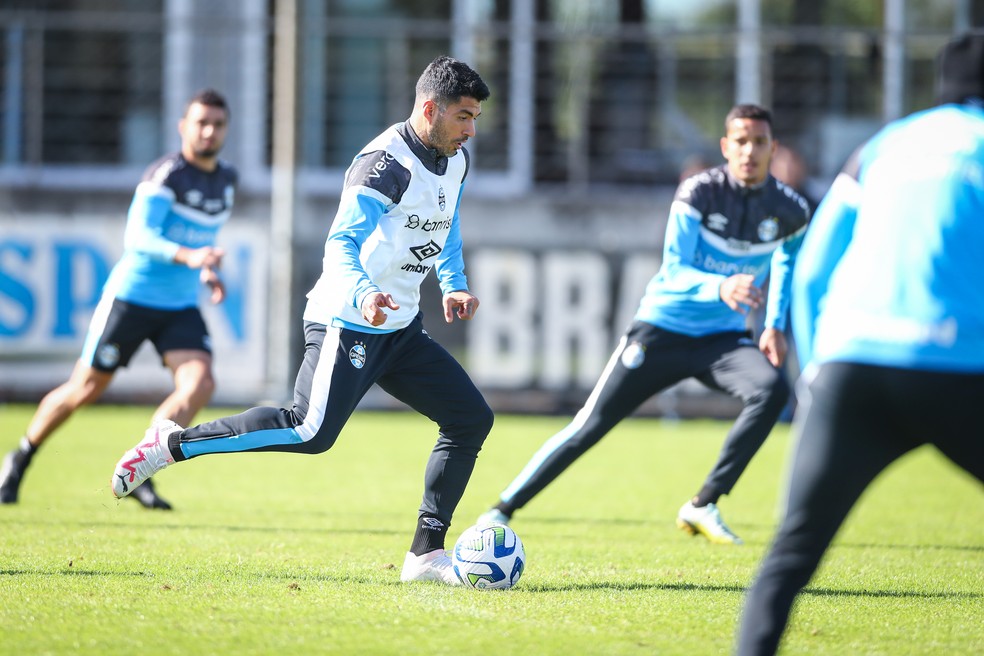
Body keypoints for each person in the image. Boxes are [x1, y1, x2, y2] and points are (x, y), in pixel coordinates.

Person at [110, 56, 494, 586]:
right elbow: (341, 245)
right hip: (347, 319)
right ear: (430, 109)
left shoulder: (455, 160)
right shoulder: (383, 165)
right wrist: (363, 295)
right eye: (464, 117)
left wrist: (453, 283)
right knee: (309, 429)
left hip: (400, 329)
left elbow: (445, 224)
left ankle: (426, 555)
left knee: (470, 418)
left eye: (475, 118)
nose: (471, 131)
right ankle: (170, 446)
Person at [735, 32, 984, 655]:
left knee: (790, 554)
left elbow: (815, 267)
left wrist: (813, 374)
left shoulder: (885, 145)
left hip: (853, 369)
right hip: (962, 373)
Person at [477, 104, 811, 545]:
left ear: (773, 148)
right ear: (726, 147)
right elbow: (674, 269)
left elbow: (787, 263)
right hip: (661, 332)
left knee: (771, 391)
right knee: (589, 427)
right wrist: (720, 286)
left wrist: (773, 326)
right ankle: (500, 511)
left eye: (760, 142)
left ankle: (703, 503)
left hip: (722, 341)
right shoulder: (699, 192)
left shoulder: (790, 209)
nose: (750, 151)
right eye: (741, 141)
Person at [0, 89, 236, 510]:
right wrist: (191, 256)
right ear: (183, 127)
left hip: (179, 305)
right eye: (201, 122)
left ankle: (143, 467)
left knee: (200, 383)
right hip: (132, 298)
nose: (209, 131)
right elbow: (139, 237)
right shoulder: (165, 175)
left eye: (217, 124)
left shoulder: (226, 181)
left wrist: (207, 271)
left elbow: (203, 239)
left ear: (226, 131)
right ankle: (19, 458)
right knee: (85, 388)